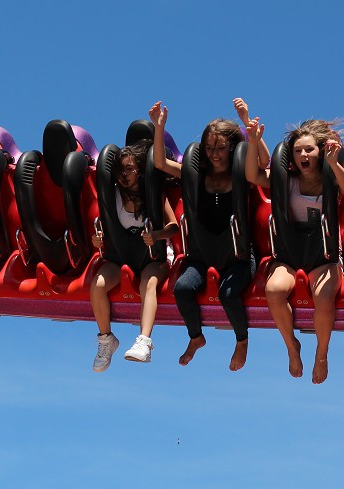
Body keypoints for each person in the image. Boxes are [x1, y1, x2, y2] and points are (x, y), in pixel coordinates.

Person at [242, 101, 344, 384]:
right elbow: (253, 175)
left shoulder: (330, 176)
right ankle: (292, 346)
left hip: (323, 252)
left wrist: (333, 163)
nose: (303, 155)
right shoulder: (287, 179)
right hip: (290, 253)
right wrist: (253, 139)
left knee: (323, 296)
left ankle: (322, 353)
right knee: (273, 290)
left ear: (319, 152)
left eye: (309, 149)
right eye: (298, 151)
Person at [148, 99, 252, 371]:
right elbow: (159, 162)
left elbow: (265, 167)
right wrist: (159, 128)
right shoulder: (194, 175)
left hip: (237, 256)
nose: (214, 153)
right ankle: (196, 338)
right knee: (182, 289)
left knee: (228, 295)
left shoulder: (244, 174)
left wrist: (246, 122)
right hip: (203, 254)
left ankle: (241, 341)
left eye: (220, 147)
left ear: (232, 147)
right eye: (208, 148)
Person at [91, 140, 179, 371]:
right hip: (122, 255)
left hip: (152, 256)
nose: (124, 174)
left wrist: (157, 235)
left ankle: (144, 341)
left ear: (140, 171)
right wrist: (98, 240)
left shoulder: (153, 195)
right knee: (98, 285)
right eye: (121, 169)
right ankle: (106, 339)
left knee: (148, 284)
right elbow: (103, 228)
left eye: (129, 169)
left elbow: (174, 226)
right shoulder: (112, 195)